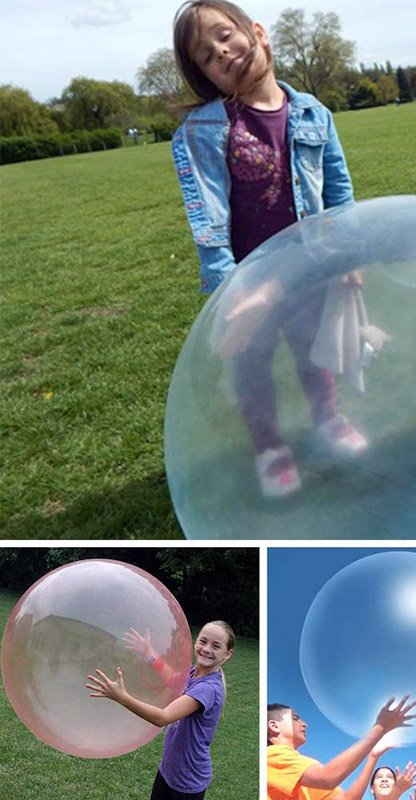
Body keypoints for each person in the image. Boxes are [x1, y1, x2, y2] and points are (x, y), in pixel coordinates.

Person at [171, 0, 367, 499]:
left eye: (224, 36)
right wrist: (229, 286)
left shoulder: (313, 114)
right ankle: (268, 446)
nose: (221, 53)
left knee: (312, 353)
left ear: (255, 32)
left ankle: (329, 420)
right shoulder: (208, 130)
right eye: (208, 57)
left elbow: (339, 196)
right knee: (251, 367)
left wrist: (348, 257)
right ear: (208, 78)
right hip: (250, 280)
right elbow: (208, 218)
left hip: (310, 269)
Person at [86, 620, 236, 799]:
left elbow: (163, 717)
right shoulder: (192, 673)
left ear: (227, 654)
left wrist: (121, 697)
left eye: (216, 646)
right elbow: (173, 679)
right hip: (168, 770)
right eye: (203, 641)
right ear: (196, 642)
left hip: (189, 780)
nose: (206, 649)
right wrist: (149, 653)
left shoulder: (208, 688)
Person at [267, 696, 416, 800]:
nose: (304, 724)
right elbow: (327, 778)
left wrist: (373, 756)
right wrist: (380, 728)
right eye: (295, 718)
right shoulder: (271, 755)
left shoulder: (301, 770)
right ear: (274, 726)